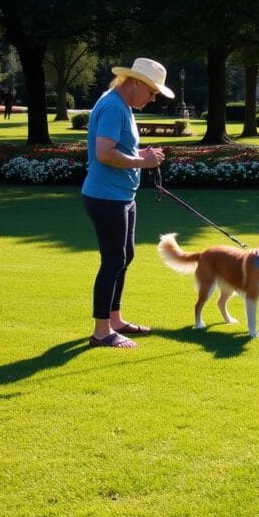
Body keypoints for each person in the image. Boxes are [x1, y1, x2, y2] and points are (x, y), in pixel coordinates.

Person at [82, 58, 173, 348]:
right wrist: (142, 162)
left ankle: (116, 320)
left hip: (122, 195)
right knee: (113, 261)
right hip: (106, 197)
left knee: (125, 256)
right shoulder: (112, 106)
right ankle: (101, 332)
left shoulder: (122, 105)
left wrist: (140, 156)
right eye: (151, 92)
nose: (152, 98)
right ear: (135, 83)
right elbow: (104, 153)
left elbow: (120, 148)